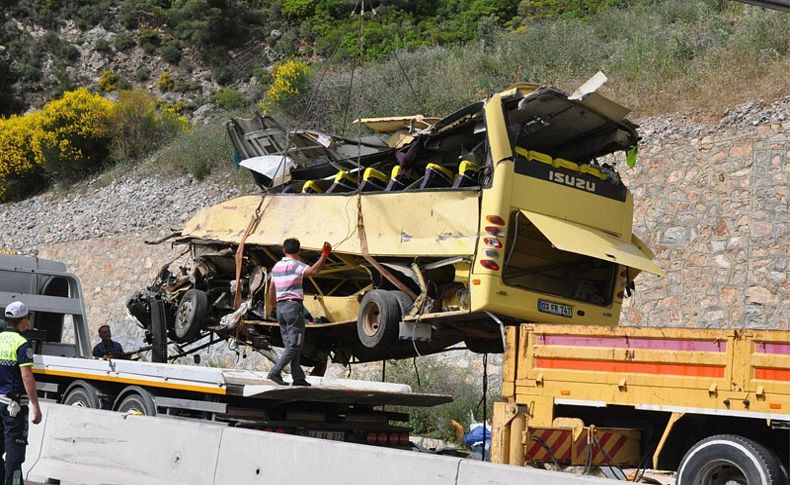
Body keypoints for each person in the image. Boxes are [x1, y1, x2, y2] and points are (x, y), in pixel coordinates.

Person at [266, 238, 331, 387]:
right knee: (294, 345)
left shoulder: (276, 267)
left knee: (291, 344)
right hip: (293, 308)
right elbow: (314, 271)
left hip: (281, 309)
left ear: (284, 250)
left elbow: (271, 289)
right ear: (299, 251)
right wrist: (324, 255)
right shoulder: (295, 265)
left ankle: (298, 377)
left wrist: (274, 307)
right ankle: (275, 372)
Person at [0, 301, 42, 485]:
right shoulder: (23, 344)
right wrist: (36, 407)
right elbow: (27, 377)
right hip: (14, 406)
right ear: (23, 320)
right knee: (15, 454)